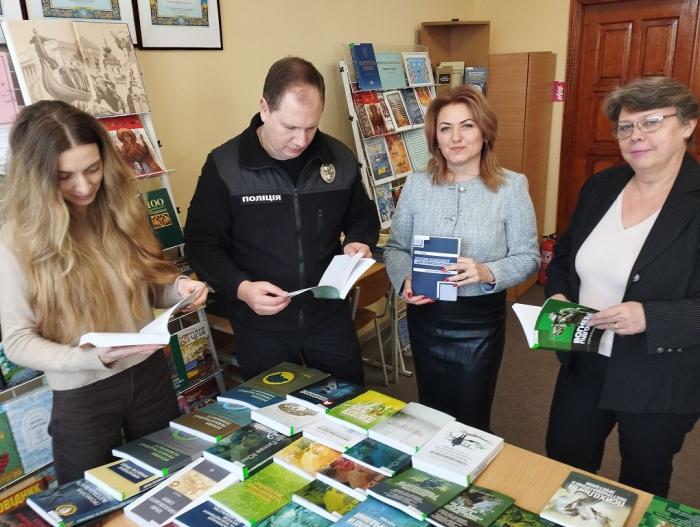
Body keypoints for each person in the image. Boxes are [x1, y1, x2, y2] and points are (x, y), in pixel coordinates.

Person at [0, 100, 208, 484]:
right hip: (83, 394)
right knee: (87, 501)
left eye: (93, 169)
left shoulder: (118, 210)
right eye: (64, 176)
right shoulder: (15, 240)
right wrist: (89, 358)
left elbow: (151, 284)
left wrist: (179, 288)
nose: (84, 187)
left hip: (149, 376)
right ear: (36, 177)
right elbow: (17, 342)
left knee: (172, 485)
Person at [544, 76, 700, 497]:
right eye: (625, 127)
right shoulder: (601, 186)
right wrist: (558, 293)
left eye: (651, 122)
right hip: (584, 358)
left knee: (643, 478)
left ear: (687, 125)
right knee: (564, 461)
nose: (636, 136)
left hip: (660, 373)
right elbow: (565, 254)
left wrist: (651, 316)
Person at [184, 56, 379, 385]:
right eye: (289, 127)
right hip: (260, 323)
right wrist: (240, 288)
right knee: (274, 410)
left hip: (328, 316)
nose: (301, 140)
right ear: (264, 108)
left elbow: (362, 215)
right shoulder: (225, 165)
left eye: (311, 126)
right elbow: (201, 244)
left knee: (347, 401)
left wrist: (359, 240)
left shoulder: (339, 158)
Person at [384, 85, 539, 431]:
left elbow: (528, 257)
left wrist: (487, 271)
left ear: (484, 132)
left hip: (478, 323)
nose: (455, 137)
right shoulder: (417, 185)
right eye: (445, 128)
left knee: (471, 417)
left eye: (467, 126)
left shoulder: (511, 187)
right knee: (430, 414)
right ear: (435, 138)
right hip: (425, 316)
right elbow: (395, 248)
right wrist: (405, 278)